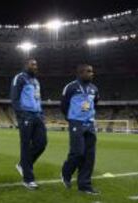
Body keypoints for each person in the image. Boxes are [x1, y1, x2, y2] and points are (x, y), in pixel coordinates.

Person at [60, 64, 100, 195]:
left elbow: (96, 103)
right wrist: (72, 118)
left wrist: (89, 116)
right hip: (76, 123)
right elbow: (63, 105)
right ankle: (66, 172)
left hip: (90, 124)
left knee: (89, 156)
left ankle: (84, 185)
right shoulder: (70, 87)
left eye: (92, 71)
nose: (92, 73)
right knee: (78, 153)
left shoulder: (94, 88)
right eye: (89, 71)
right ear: (80, 73)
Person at [10, 58, 47, 189]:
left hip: (37, 116)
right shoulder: (19, 78)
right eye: (33, 64)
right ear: (26, 65)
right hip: (26, 115)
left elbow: (38, 98)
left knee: (42, 144)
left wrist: (41, 114)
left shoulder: (36, 81)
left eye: (36, 64)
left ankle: (22, 165)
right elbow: (14, 98)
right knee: (25, 147)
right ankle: (28, 179)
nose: (35, 66)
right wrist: (21, 114)